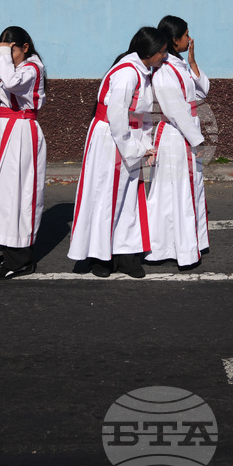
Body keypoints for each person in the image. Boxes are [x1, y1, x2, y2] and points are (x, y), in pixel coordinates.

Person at [68, 27, 166, 278]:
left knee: (128, 197)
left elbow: (142, 116)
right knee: (106, 195)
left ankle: (125, 253)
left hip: (127, 139)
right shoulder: (127, 73)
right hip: (111, 139)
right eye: (162, 52)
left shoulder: (142, 72)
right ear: (150, 52)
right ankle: (101, 256)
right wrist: (134, 148)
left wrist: (146, 144)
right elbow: (117, 117)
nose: (165, 57)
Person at [146, 15, 209, 267]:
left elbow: (203, 89)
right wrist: (197, 140)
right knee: (172, 191)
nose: (190, 39)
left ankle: (188, 243)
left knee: (188, 190)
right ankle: (164, 247)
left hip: (185, 131)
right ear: (174, 40)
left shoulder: (180, 64)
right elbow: (174, 109)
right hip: (174, 135)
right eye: (186, 35)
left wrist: (192, 61)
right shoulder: (163, 71)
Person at [0, 26, 47, 280]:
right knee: (4, 190)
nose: (7, 55)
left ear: (24, 48)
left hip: (21, 130)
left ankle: (20, 257)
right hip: (7, 129)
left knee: (19, 193)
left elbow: (11, 84)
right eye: (3, 49)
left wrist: (3, 57)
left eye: (11, 49)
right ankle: (9, 244)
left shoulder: (33, 68)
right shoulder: (19, 67)